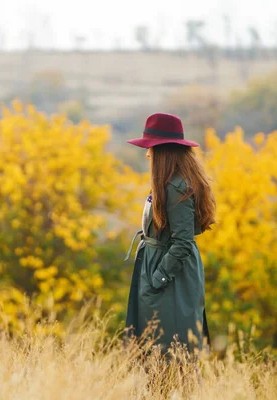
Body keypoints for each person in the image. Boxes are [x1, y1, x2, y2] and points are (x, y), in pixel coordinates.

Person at [123, 112, 216, 355]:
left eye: (150, 148)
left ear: (162, 151)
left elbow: (183, 242)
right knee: (153, 347)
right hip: (158, 270)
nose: (147, 154)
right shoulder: (168, 183)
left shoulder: (177, 187)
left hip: (170, 278)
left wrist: (159, 278)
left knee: (169, 350)